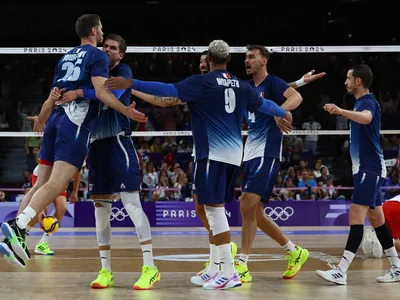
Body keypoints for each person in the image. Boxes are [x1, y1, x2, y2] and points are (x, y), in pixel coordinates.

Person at [105, 39, 293, 290]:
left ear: (210, 60)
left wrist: (130, 83)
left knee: (214, 211)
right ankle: (216, 268)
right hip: (235, 155)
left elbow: (166, 89)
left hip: (212, 154)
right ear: (228, 60)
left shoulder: (201, 83)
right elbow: (264, 105)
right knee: (210, 209)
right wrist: (283, 113)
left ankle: (229, 272)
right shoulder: (241, 84)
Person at [0, 14, 147, 267]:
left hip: (55, 120)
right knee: (57, 184)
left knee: (41, 183)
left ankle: (19, 238)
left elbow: (52, 96)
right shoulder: (98, 56)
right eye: (101, 29)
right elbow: (101, 91)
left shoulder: (66, 56)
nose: (103, 35)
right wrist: (125, 111)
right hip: (75, 122)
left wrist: (42, 120)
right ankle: (19, 225)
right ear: (93, 30)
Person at [56, 34, 159, 290]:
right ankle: (105, 270)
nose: (108, 50)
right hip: (95, 145)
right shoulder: (93, 70)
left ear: (121, 55)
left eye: (113, 48)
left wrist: (79, 91)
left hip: (118, 143)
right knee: (100, 210)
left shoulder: (122, 71)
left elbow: (108, 92)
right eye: (105, 46)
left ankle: (150, 267)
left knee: (131, 204)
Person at [235, 44, 324, 282]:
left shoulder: (273, 82)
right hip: (249, 152)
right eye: (245, 57)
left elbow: (295, 97)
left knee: (246, 202)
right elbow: (288, 89)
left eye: (251, 57)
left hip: (268, 150)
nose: (247, 60)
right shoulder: (246, 88)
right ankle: (294, 251)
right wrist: (299, 81)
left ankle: (241, 263)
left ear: (264, 61)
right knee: (255, 212)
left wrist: (279, 112)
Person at [316, 64, 400, 284]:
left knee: (356, 215)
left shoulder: (368, 102)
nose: (345, 81)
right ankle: (397, 267)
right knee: (376, 219)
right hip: (364, 169)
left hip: (369, 168)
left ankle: (341, 271)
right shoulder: (359, 102)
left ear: (358, 81)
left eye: (348, 77)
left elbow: (367, 118)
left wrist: (340, 111)